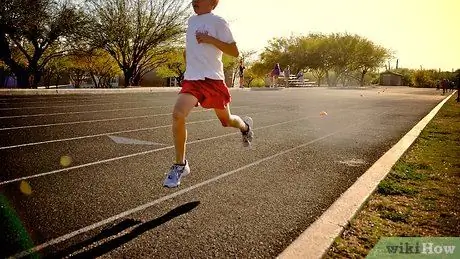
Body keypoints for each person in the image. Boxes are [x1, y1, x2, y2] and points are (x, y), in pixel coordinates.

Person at [163, 0, 254, 188]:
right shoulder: (190, 21)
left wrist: (210, 39)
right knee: (178, 114)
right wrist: (189, 59)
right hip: (193, 80)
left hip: (213, 80)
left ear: (213, 2)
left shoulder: (218, 22)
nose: (193, 1)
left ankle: (245, 126)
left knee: (226, 120)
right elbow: (190, 48)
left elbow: (234, 51)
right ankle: (180, 165)